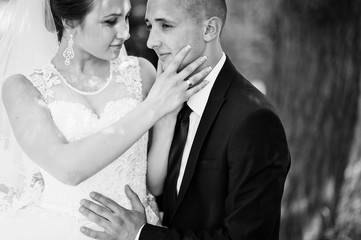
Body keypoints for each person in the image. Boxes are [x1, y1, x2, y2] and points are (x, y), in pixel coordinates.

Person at [79, 0, 291, 239]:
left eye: (166, 26)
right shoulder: (162, 101)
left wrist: (141, 234)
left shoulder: (254, 121)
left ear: (209, 29)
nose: (151, 41)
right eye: (150, 26)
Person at [0, 0, 211, 239]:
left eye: (126, 17)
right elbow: (68, 170)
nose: (125, 32)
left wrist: (168, 116)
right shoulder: (23, 88)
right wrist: (154, 107)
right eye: (110, 21)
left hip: (135, 231)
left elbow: (153, 183)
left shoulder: (142, 72)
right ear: (70, 22)